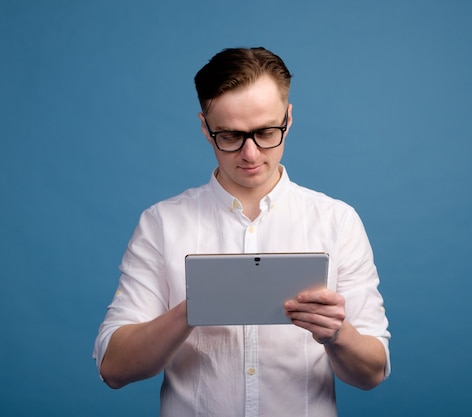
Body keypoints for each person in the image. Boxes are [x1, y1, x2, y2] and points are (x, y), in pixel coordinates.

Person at [93, 46, 391, 417]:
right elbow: (114, 369)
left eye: (267, 131)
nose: (250, 154)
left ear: (289, 118)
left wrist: (337, 335)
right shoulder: (162, 223)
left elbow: (372, 373)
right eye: (230, 136)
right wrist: (192, 310)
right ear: (205, 127)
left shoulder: (337, 220)